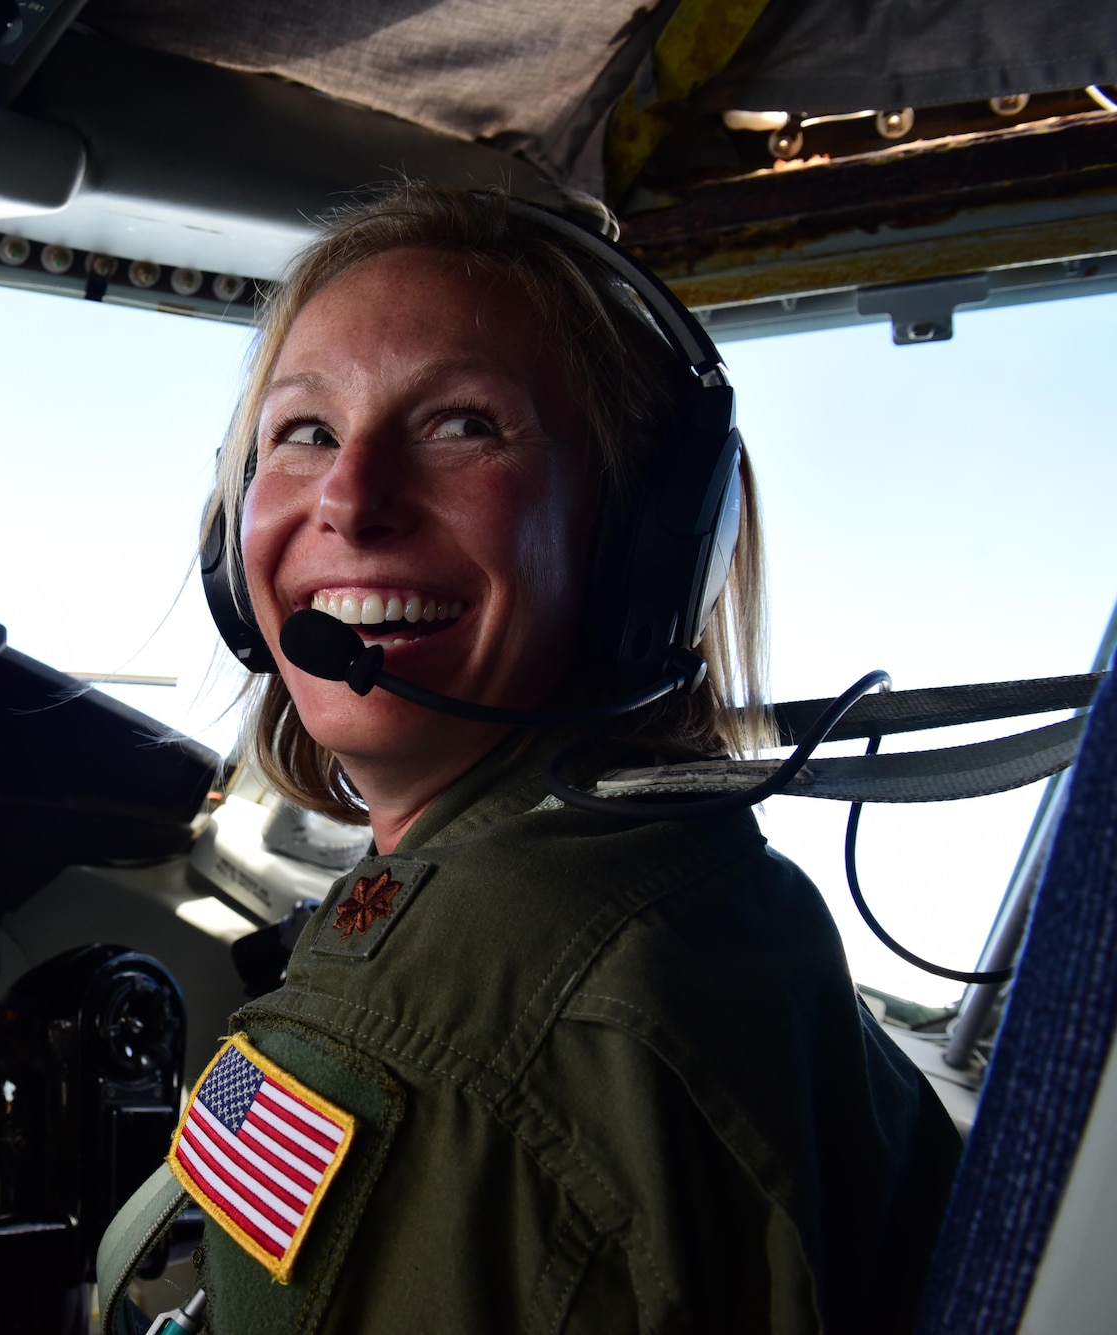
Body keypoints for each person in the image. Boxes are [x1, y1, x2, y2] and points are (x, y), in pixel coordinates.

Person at [99, 184, 963, 1334]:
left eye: (462, 424)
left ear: (640, 548)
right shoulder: (701, 896)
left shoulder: (451, 1027)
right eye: (303, 432)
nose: (351, 501)